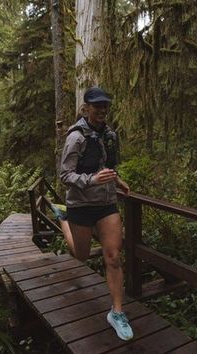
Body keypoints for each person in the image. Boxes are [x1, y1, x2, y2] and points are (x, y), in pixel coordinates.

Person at [60, 86, 133, 341]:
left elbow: (107, 167)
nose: (102, 110)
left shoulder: (110, 135)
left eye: (105, 105)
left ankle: (117, 312)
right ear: (86, 107)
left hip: (106, 203)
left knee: (113, 257)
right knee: (80, 254)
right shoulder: (76, 137)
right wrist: (92, 180)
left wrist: (117, 180)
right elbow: (65, 175)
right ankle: (65, 224)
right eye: (97, 105)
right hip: (80, 205)